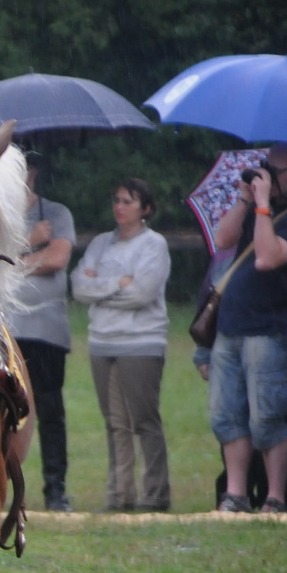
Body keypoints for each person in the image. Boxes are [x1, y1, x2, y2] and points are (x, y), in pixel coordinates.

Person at [207, 143, 287, 513]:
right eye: (263, 168)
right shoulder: (257, 209)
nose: (266, 175)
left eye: (274, 170)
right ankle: (235, 494)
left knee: (266, 416)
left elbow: (267, 258)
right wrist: (247, 201)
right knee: (226, 415)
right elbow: (223, 241)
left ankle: (276, 497)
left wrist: (263, 206)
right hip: (231, 326)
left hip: (269, 329)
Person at [71, 177, 172, 511]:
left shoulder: (153, 244)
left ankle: (156, 496)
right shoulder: (101, 243)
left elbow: (142, 293)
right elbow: (78, 288)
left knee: (144, 420)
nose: (120, 207)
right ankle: (119, 495)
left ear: (145, 208)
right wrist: (117, 283)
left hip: (140, 342)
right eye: (117, 200)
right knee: (115, 423)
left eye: (128, 201)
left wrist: (100, 290)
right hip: (102, 342)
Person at [11, 156, 76, 510]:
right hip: (6, 329)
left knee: (50, 410)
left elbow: (57, 258)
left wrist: (11, 264)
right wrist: (29, 239)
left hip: (46, 331)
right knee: (3, 411)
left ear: (33, 175)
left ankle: (56, 489)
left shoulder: (57, 214)